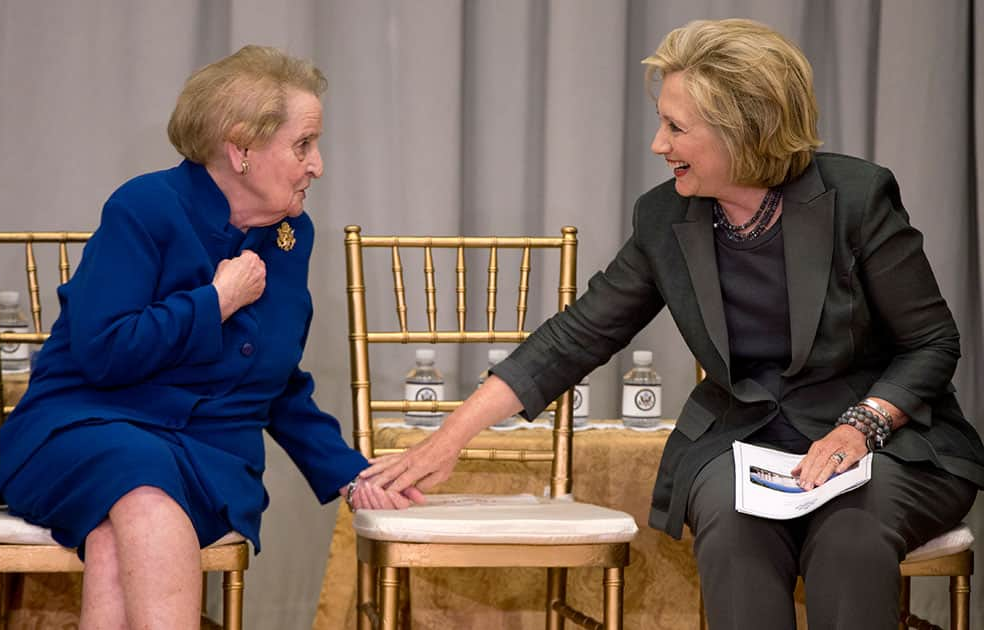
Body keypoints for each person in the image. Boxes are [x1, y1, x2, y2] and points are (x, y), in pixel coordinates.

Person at [362, 19, 984, 630]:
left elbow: (931, 343)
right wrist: (449, 438)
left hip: (887, 442)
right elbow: (578, 335)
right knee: (733, 535)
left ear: (743, 130)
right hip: (745, 443)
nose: (659, 145)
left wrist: (861, 426)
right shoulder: (665, 219)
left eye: (675, 127)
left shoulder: (856, 196)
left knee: (849, 539)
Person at [0, 45, 417, 629]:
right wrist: (214, 302)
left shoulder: (293, 234)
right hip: (81, 429)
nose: (317, 164)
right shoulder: (146, 207)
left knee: (125, 528)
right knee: (140, 495)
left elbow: (276, 380)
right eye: (303, 145)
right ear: (240, 148)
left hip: (208, 454)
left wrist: (349, 473)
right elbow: (103, 351)